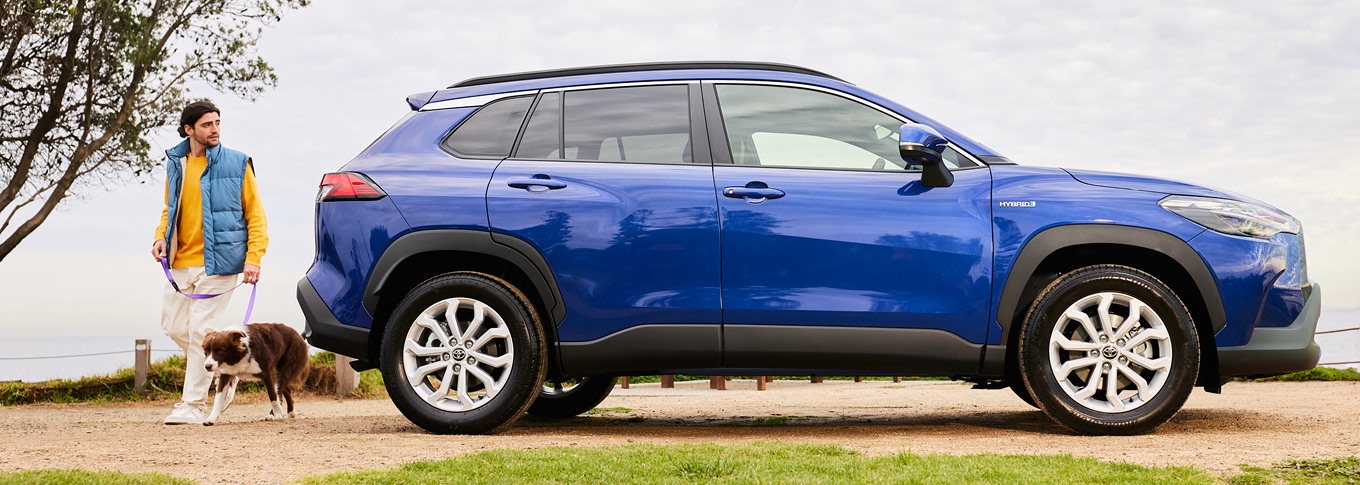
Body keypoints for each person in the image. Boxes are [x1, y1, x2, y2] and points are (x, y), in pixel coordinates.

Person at [152, 101, 268, 425]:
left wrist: (254, 258)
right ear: (189, 130)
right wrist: (160, 237)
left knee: (200, 328)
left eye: (217, 122)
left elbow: (255, 215)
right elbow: (169, 209)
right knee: (174, 326)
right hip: (180, 260)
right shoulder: (177, 164)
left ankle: (193, 405)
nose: (214, 129)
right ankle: (225, 369)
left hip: (221, 263)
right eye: (206, 124)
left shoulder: (237, 163)